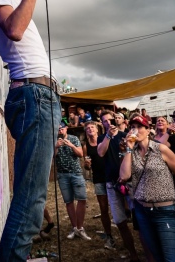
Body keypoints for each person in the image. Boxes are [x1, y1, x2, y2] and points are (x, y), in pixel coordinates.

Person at [0, 0, 75, 262]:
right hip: (33, 96)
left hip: (39, 96)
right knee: (31, 199)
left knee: (32, 196)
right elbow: (15, 29)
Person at [120, 115, 175, 262]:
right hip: (142, 211)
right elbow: (124, 176)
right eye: (132, 127)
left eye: (139, 127)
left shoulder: (161, 149)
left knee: (172, 258)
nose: (135, 131)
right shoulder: (132, 153)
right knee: (157, 257)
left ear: (148, 130)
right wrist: (128, 148)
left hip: (165, 211)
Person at [98, 110, 141, 262]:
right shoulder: (102, 138)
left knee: (139, 219)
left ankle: (149, 251)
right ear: (102, 123)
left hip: (129, 182)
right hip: (111, 183)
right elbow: (101, 153)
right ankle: (133, 255)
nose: (108, 123)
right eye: (105, 121)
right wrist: (108, 136)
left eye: (111, 119)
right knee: (120, 221)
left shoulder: (126, 136)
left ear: (117, 120)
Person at [55, 122, 91, 240]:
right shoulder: (54, 140)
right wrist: (56, 146)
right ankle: (74, 227)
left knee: (82, 199)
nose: (60, 130)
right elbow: (52, 157)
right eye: (58, 129)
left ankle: (80, 228)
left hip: (76, 173)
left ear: (66, 129)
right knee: (68, 201)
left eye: (62, 128)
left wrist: (71, 145)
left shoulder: (73, 138)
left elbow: (80, 154)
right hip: (62, 175)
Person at [84, 120, 116, 249]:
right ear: (86, 132)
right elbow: (87, 167)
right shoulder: (86, 146)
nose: (90, 129)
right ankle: (109, 235)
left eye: (92, 127)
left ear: (97, 129)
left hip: (111, 177)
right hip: (98, 179)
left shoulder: (104, 140)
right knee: (103, 208)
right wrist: (87, 166)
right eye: (88, 128)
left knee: (115, 206)